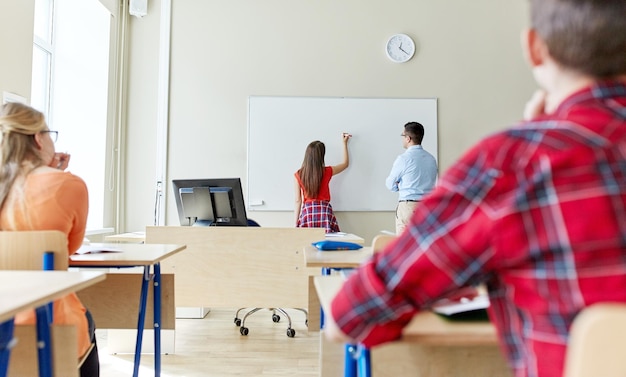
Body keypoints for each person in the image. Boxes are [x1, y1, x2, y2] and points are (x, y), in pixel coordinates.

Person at [324, 0, 626, 376]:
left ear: (534, 47)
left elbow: (350, 318)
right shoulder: (457, 159)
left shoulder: (511, 163)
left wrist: (535, 138)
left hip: (408, 208)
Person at [0, 102, 99, 376]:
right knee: (87, 319)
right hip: (47, 320)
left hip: (3, 321)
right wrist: (56, 175)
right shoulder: (69, 185)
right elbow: (68, 249)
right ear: (37, 138)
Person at [385, 121, 438, 234]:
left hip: (408, 206)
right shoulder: (431, 159)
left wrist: (399, 187)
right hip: (428, 207)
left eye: (403, 136)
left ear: (408, 138)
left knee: (405, 246)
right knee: (423, 245)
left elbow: (390, 184)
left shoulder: (404, 159)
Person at [294, 133, 351, 233]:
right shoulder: (326, 171)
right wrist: (344, 143)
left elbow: (298, 201)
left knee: (307, 242)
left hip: (308, 212)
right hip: (324, 211)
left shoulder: (298, 174)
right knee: (327, 241)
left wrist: (295, 223)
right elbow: (345, 164)